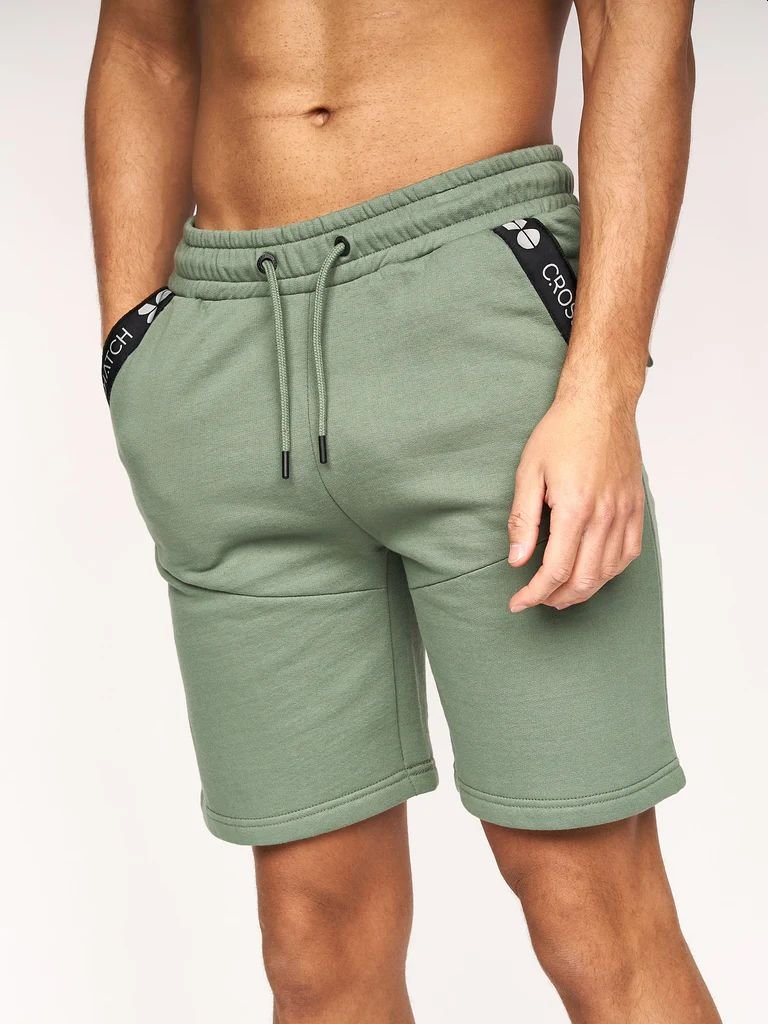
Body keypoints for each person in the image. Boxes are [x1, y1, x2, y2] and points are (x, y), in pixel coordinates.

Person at [86, 2, 720, 1021]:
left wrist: (604, 387)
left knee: (589, 905)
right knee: (312, 939)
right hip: (228, 342)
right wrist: (133, 348)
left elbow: (637, 34)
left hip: (479, 320)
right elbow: (143, 45)